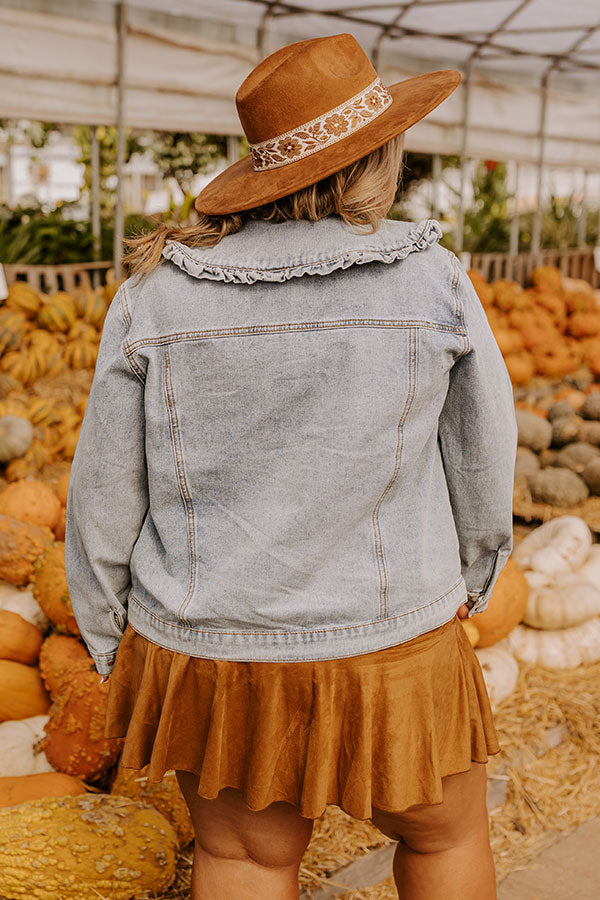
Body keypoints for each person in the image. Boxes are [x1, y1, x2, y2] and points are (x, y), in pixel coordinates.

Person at [64, 32, 517, 900]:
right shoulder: (432, 280)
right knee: (445, 838)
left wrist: (108, 635)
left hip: (215, 648)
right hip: (393, 639)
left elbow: (103, 494)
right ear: (376, 160)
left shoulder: (155, 292)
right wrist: (476, 571)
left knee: (242, 859)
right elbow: (483, 455)